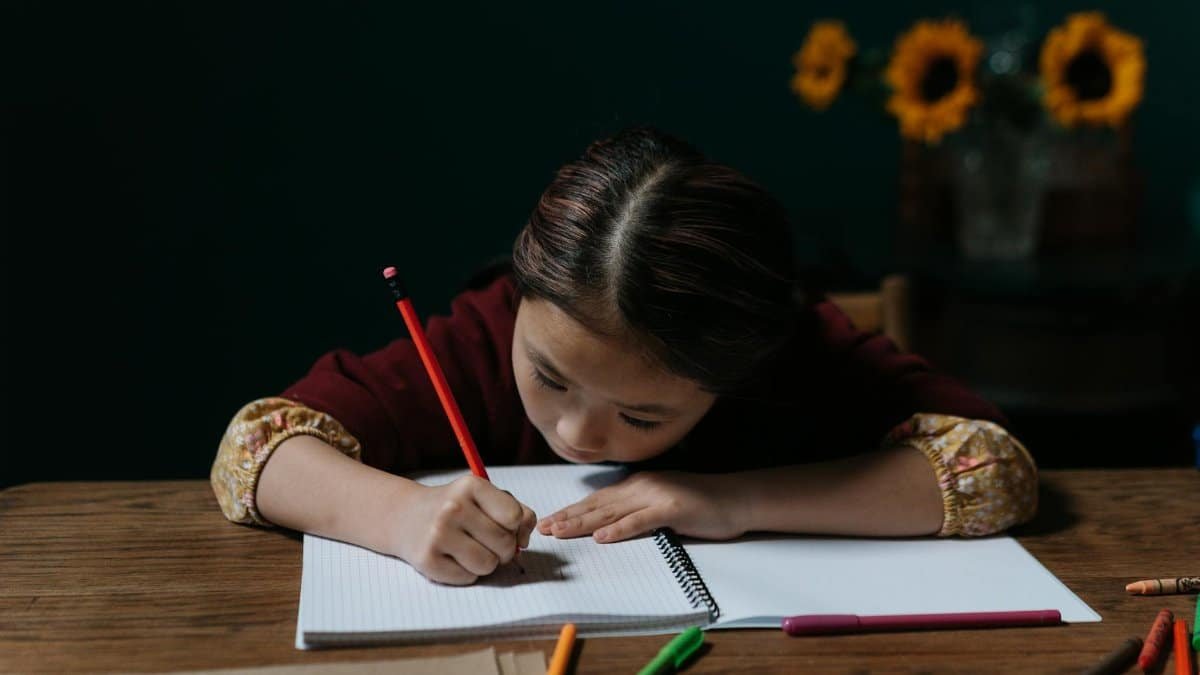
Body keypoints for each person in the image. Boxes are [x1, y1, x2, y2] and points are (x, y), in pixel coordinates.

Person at [212, 127, 1037, 585]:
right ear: (523, 295)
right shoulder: (482, 332)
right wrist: (397, 517)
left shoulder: (795, 348)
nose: (576, 429)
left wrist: (735, 499)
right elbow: (255, 447)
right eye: (547, 373)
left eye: (642, 413)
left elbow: (995, 469)